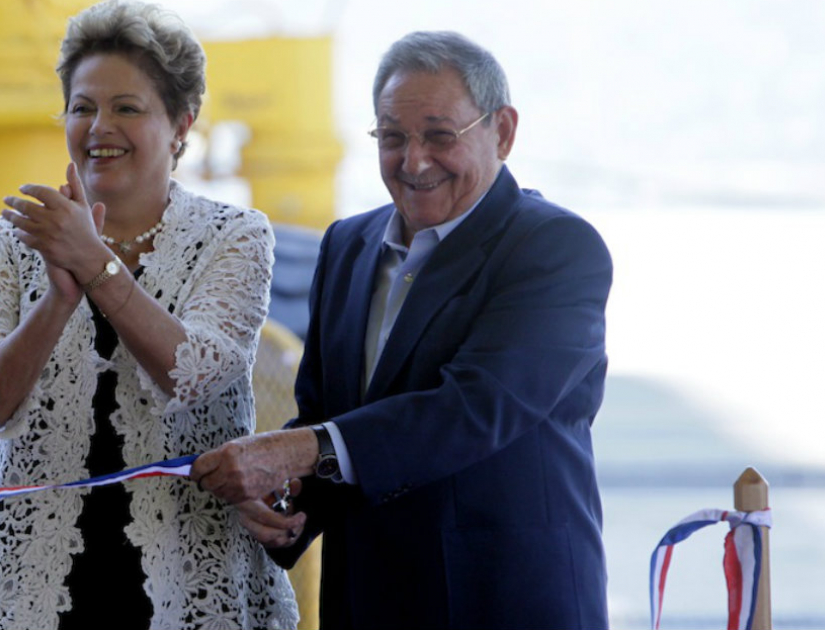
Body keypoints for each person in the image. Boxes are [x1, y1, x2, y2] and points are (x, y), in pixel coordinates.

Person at [191, 30, 612, 629]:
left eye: (440, 136)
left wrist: (296, 451)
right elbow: (325, 413)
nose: (414, 161)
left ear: (504, 131)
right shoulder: (347, 245)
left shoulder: (555, 248)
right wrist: (284, 505)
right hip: (366, 601)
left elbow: (475, 406)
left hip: (501, 602)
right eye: (392, 137)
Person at [0, 2, 298, 628]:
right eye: (82, 107)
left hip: (191, 583)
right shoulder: (8, 241)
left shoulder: (234, 236)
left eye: (127, 108)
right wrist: (56, 300)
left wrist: (96, 265)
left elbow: (192, 373)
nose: (98, 126)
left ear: (182, 124)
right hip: (27, 589)